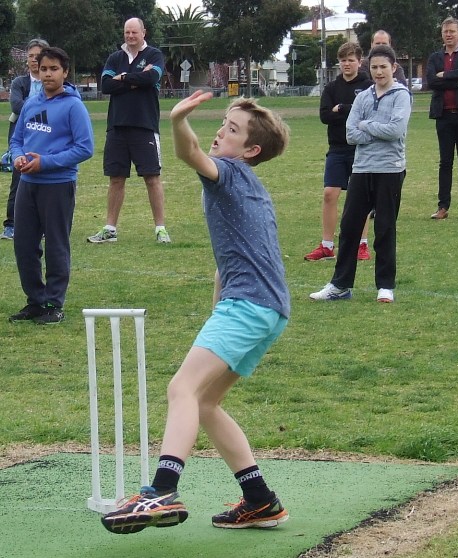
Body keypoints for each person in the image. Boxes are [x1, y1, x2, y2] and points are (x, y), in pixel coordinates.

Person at [101, 91, 291, 533]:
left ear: (250, 150)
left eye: (232, 129)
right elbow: (236, 253)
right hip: (267, 309)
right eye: (224, 123)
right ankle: (260, 500)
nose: (220, 132)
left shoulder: (227, 172)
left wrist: (177, 119)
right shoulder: (250, 186)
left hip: (249, 306)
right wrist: (219, 302)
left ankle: (161, 490)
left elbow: (187, 152)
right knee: (205, 402)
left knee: (181, 388)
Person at [309, 45, 411, 304]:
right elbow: (350, 133)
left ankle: (385, 285)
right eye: (374, 67)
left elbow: (395, 130)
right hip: (361, 168)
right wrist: (374, 128)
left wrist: (367, 125)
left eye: (383, 67)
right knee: (350, 227)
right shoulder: (364, 97)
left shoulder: (401, 95)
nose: (378, 72)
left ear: (393, 68)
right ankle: (340, 285)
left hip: (389, 169)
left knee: (385, 227)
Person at [9, 47, 94, 324]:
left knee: (56, 245)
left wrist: (45, 162)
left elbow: (85, 148)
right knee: (24, 245)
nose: (48, 73)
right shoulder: (31, 104)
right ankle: (35, 301)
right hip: (27, 183)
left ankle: (53, 303)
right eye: (43, 68)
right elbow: (17, 139)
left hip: (57, 185)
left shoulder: (73, 106)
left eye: (54, 69)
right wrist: (18, 156)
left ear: (65, 72)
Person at [87, 17, 170, 244]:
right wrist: (135, 81)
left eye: (134, 32)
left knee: (152, 177)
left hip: (144, 125)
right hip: (117, 127)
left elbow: (152, 77)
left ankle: (161, 229)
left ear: (144, 32)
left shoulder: (154, 56)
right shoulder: (115, 57)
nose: (130, 36)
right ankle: (110, 229)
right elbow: (106, 86)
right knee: (116, 178)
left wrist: (123, 78)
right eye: (127, 33)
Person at [304, 42, 373, 262]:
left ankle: (362, 245)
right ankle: (326, 245)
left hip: (360, 148)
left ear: (359, 62)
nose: (346, 64)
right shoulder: (331, 88)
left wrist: (342, 108)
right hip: (336, 148)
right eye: (343, 60)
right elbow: (325, 116)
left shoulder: (368, 86)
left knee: (360, 198)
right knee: (329, 194)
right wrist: (349, 111)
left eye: (351, 60)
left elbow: (366, 114)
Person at [0, 38, 49, 240]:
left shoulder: (52, 81)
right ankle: (11, 225)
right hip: (22, 141)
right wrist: (41, 108)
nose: (34, 60)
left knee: (46, 184)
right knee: (18, 182)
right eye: (31, 56)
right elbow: (17, 107)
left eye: (38, 56)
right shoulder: (20, 83)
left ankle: (43, 225)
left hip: (46, 140)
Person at [426, 17, 458, 219]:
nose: (449, 34)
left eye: (452, 31)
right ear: (442, 34)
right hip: (443, 115)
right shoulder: (435, 57)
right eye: (446, 31)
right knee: (445, 162)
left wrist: (446, 75)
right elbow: (432, 81)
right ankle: (443, 207)